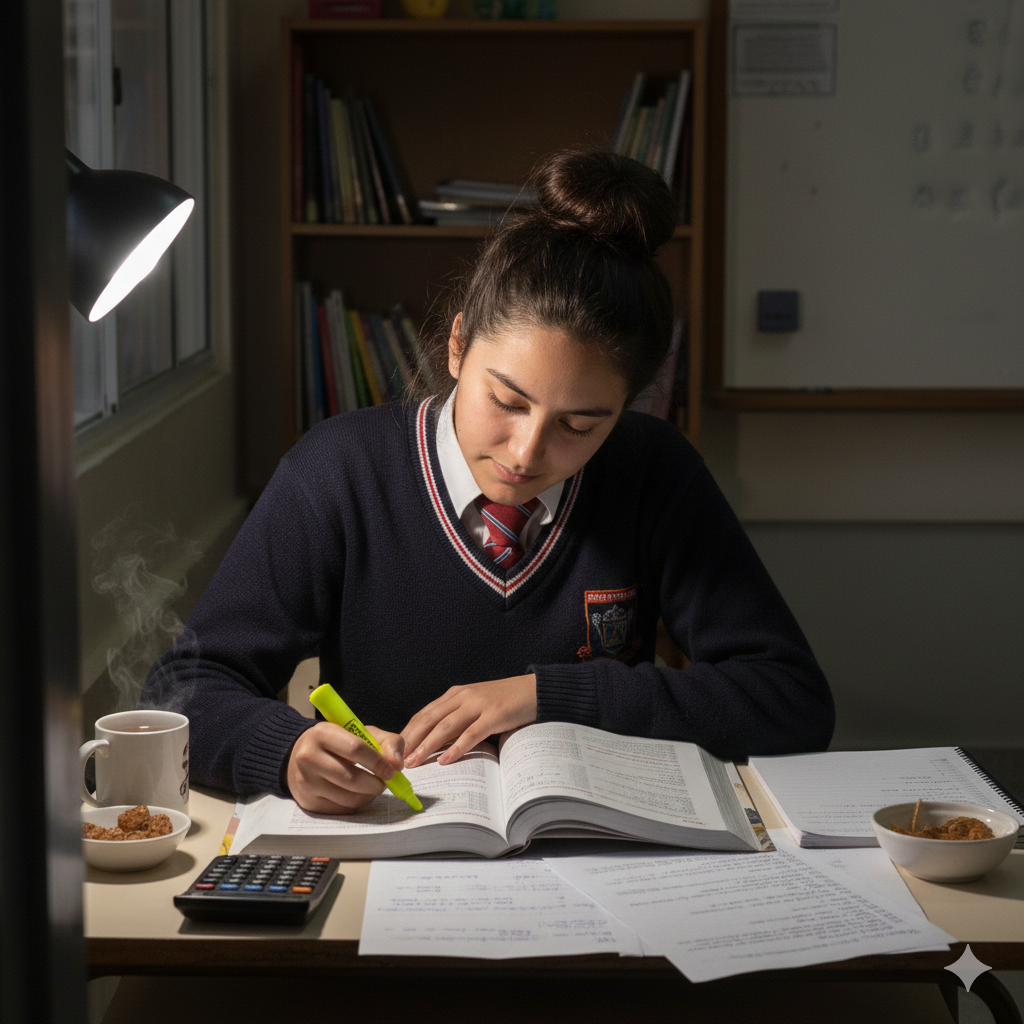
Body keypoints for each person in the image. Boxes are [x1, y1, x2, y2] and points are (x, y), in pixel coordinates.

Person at [144, 149, 834, 814]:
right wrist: (286, 750)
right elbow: (183, 690)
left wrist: (548, 696)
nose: (527, 452)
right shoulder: (338, 472)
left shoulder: (654, 470)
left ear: (627, 410)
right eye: (506, 401)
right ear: (456, 346)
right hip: (399, 860)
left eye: (581, 425)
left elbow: (789, 702)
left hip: (604, 862)